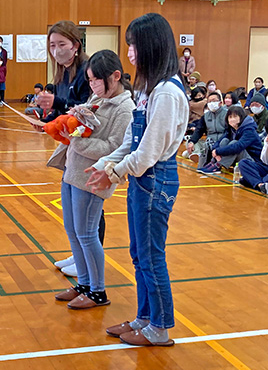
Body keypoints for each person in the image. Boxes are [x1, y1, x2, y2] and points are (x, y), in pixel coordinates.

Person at [86, 13, 188, 347]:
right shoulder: (148, 88)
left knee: (151, 256)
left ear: (151, 46)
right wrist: (106, 163)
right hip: (142, 179)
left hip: (156, 179)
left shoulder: (168, 93)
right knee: (138, 253)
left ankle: (159, 327)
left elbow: (147, 155)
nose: (129, 52)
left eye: (133, 45)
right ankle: (144, 318)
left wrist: (113, 172)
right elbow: (133, 139)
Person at [51, 49, 135, 309]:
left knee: (88, 234)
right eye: (89, 80)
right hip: (72, 171)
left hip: (93, 176)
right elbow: (81, 128)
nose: (92, 85)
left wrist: (78, 140)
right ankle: (84, 284)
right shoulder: (96, 97)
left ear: (115, 76)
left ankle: (98, 291)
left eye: (96, 80)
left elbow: (115, 147)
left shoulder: (125, 108)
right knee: (73, 232)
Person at [35, 20, 102, 278]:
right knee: (74, 207)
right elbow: (65, 110)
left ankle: (90, 261)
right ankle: (79, 255)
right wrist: (47, 118)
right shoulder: (62, 72)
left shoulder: (87, 71)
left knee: (91, 208)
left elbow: (86, 109)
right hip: (72, 144)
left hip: (89, 145)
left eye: (61, 44)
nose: (56, 50)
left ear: (75, 45)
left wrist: (59, 102)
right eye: (52, 45)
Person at [198, 106, 263, 174]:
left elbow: (239, 146)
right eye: (230, 117)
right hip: (239, 159)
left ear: (241, 117)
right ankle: (213, 163)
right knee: (225, 141)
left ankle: (218, 165)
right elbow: (220, 141)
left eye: (235, 117)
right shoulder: (232, 129)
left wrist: (218, 151)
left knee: (234, 143)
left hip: (253, 161)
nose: (232, 119)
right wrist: (215, 151)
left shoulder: (249, 130)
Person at [186, 92, 228, 167]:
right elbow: (199, 130)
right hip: (209, 141)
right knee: (190, 141)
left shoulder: (227, 114)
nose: (212, 103)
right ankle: (197, 155)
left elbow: (229, 132)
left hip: (223, 141)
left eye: (214, 101)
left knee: (224, 142)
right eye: (210, 101)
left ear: (220, 103)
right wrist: (192, 142)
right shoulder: (206, 116)